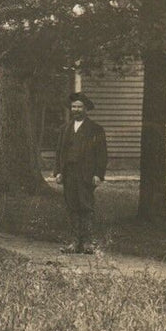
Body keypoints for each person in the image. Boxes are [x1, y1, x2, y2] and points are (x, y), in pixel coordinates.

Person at [53, 92, 108, 254]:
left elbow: (102, 154)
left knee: (86, 206)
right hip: (69, 173)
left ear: (86, 109)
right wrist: (58, 171)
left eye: (79, 107)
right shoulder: (65, 129)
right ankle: (74, 242)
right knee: (72, 207)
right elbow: (59, 152)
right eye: (73, 107)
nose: (76, 110)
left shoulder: (95, 129)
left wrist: (98, 174)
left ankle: (87, 243)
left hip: (86, 174)